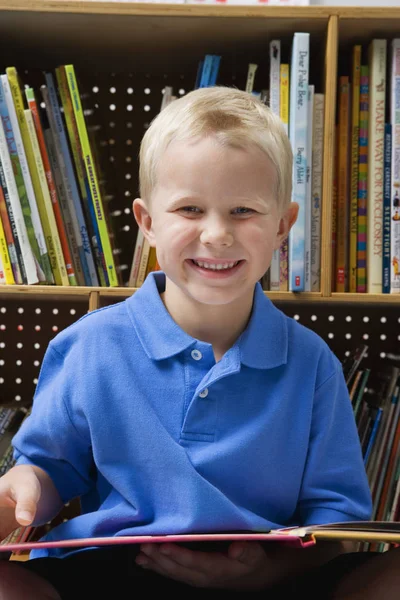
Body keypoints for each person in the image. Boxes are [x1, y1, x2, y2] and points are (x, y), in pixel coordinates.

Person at [0, 86, 398, 600]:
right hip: (117, 570)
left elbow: (334, 527)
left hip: (267, 577)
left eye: (242, 211)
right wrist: (25, 488)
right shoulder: (90, 345)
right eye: (190, 209)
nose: (216, 234)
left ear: (282, 226)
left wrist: (268, 572)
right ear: (147, 223)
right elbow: (49, 471)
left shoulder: (311, 362)